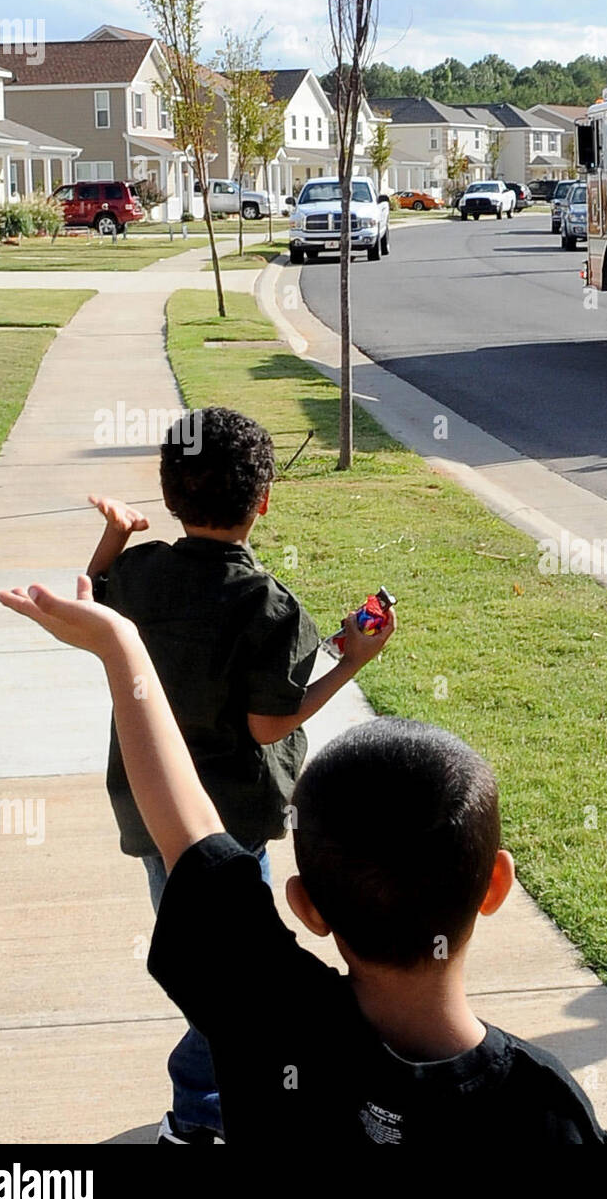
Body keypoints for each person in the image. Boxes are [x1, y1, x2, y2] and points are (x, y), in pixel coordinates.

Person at [0, 577, 607, 1145]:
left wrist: (119, 644)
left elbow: (185, 824)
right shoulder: (548, 1109)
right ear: (495, 883)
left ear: (306, 906)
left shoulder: (266, 1014)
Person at [85, 406, 392, 1142]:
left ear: (170, 496)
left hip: (150, 808)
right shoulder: (268, 605)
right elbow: (270, 724)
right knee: (233, 982)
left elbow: (94, 592)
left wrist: (116, 533)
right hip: (228, 825)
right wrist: (350, 661)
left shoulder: (142, 573)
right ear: (264, 499)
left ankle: (213, 1103)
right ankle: (196, 1114)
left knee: (210, 957)